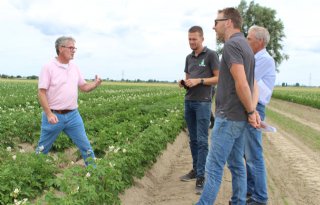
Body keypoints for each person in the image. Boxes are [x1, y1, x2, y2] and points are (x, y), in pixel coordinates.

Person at [196, 8, 260, 205]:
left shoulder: (232, 45)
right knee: (236, 165)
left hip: (229, 117)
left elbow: (242, 83)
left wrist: (251, 111)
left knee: (213, 167)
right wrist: (251, 110)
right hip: (239, 117)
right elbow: (253, 84)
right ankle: (238, 201)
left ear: (228, 22)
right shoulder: (246, 46)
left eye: (216, 22)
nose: (213, 26)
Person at [36, 36, 102, 166]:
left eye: (74, 48)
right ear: (61, 48)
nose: (74, 51)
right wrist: (49, 114)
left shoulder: (74, 67)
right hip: (54, 115)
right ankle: (35, 170)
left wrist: (95, 84)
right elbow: (41, 92)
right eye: (71, 47)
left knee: (86, 146)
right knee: (43, 148)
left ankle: (94, 172)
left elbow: (83, 87)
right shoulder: (48, 67)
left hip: (73, 116)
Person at [178, 26, 219, 194]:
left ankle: (202, 176)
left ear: (202, 38)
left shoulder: (211, 55)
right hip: (189, 101)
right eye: (189, 39)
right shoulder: (188, 58)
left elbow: (218, 78)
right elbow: (189, 79)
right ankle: (195, 169)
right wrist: (184, 83)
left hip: (203, 103)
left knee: (202, 141)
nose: (191, 42)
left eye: (194, 39)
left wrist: (199, 81)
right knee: (193, 139)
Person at [244, 25, 276, 205]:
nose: (246, 41)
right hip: (250, 106)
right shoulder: (254, 57)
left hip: (256, 108)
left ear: (260, 41)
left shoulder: (264, 59)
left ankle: (260, 197)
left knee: (254, 153)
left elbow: (246, 80)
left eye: (249, 38)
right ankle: (250, 191)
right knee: (246, 153)